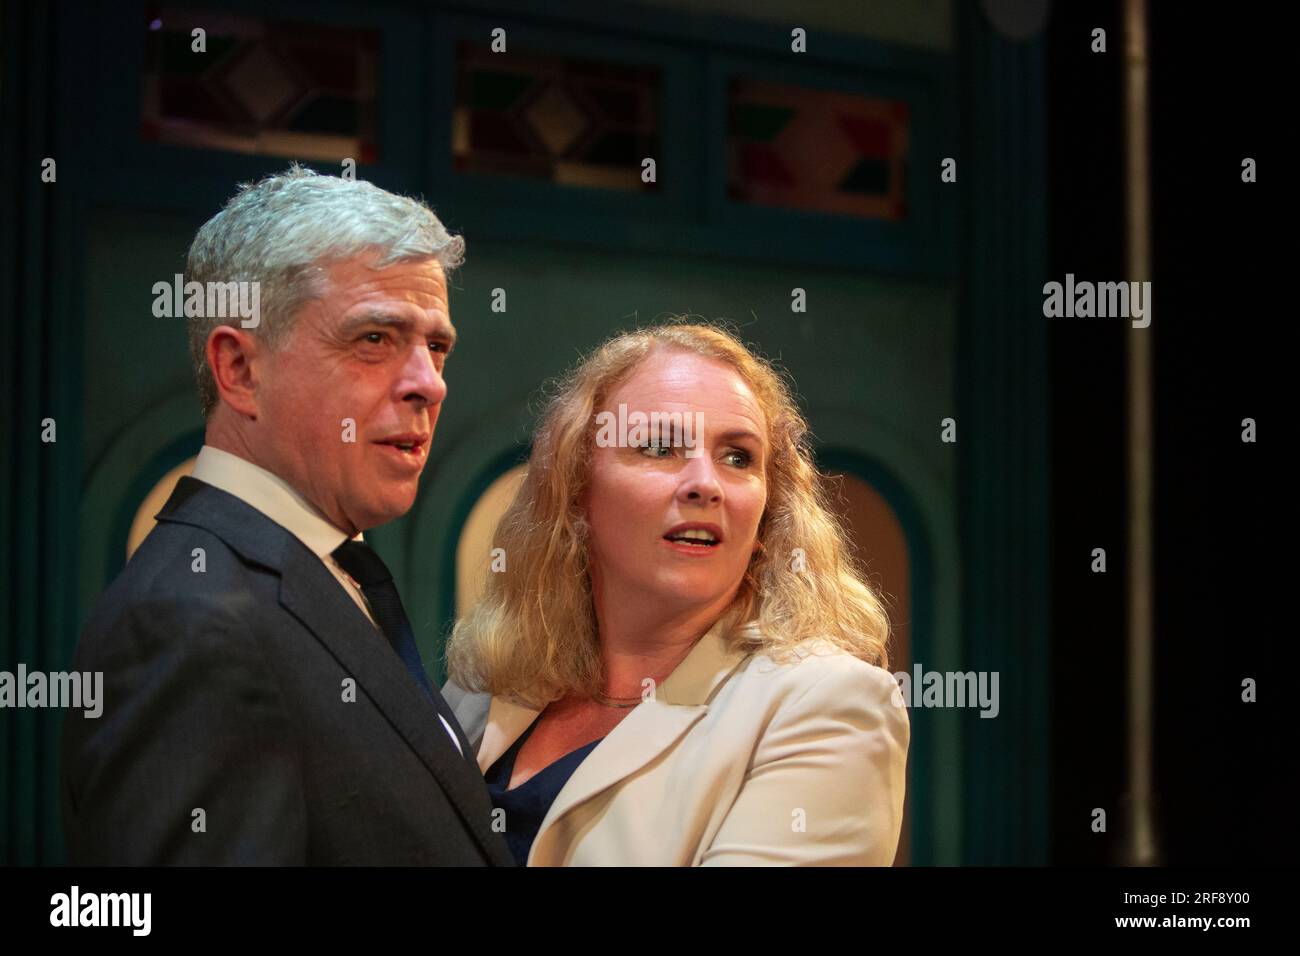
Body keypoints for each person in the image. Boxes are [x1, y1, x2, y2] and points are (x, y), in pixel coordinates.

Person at [61, 165, 513, 865]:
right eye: (375, 339)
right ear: (240, 369)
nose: (428, 382)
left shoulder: (323, 567)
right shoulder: (191, 621)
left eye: (437, 345)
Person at [444, 323, 909, 866]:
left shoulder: (831, 703)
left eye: (737, 457)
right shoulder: (489, 680)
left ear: (768, 510)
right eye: (660, 447)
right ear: (576, 488)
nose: (704, 483)